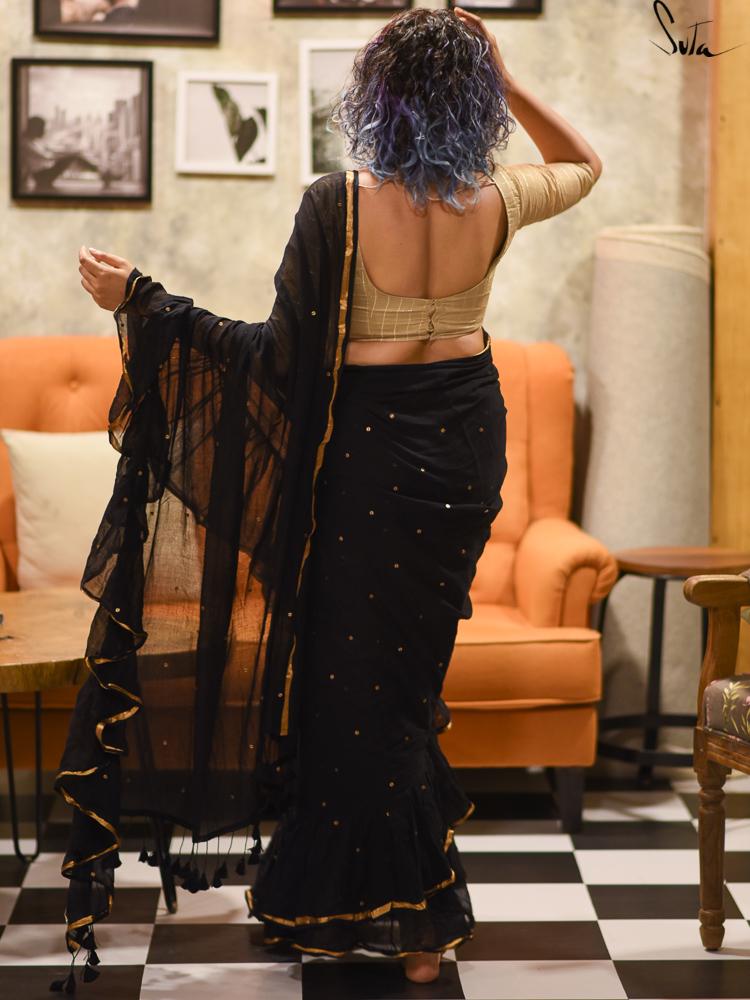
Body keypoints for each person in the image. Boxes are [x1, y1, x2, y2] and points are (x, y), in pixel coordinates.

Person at [58, 6, 602, 993]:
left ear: (379, 96)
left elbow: (275, 360)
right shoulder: (498, 198)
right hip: (463, 447)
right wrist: (510, 77)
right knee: (399, 689)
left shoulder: (338, 203)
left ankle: (383, 912)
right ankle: (393, 917)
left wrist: (146, 301)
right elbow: (586, 163)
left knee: (353, 689)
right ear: (472, 97)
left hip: (368, 453)